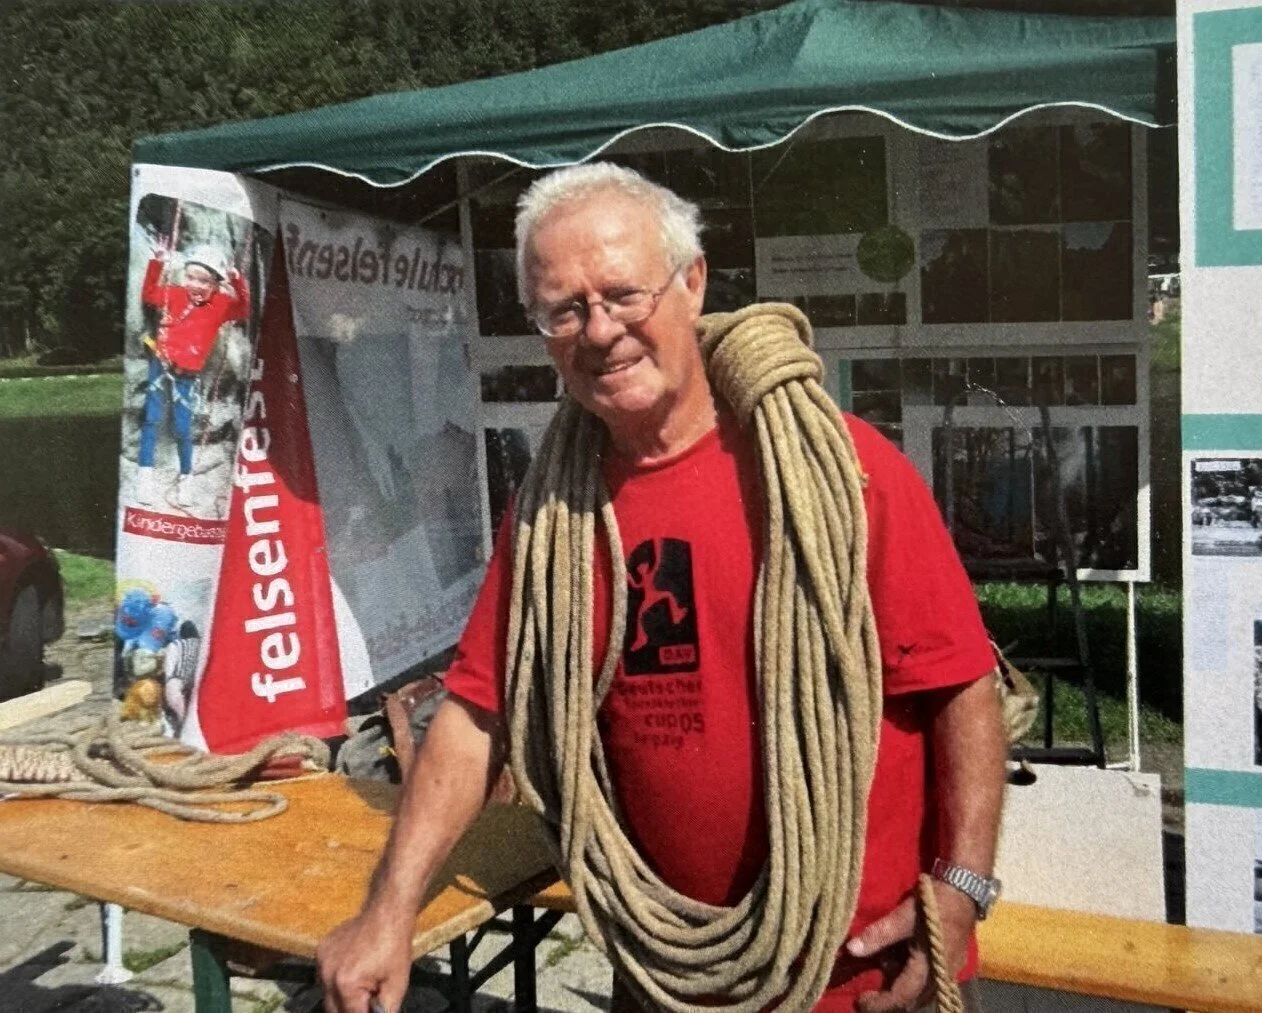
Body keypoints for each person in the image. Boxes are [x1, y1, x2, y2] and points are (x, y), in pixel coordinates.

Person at [316, 163, 1007, 1013]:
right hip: (667, 982)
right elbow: (476, 711)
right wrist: (387, 912)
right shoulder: (550, 513)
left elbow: (960, 682)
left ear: (692, 283)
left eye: (622, 294)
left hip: (862, 977)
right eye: (563, 309)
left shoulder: (845, 471)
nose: (599, 330)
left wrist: (963, 885)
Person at [136, 244, 250, 509]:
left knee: (183, 428)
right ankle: (145, 476)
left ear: (216, 283)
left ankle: (186, 481)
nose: (196, 285)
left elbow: (244, 309)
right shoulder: (174, 295)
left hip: (186, 375)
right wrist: (157, 262)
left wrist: (236, 277)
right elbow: (150, 294)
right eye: (191, 277)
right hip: (160, 365)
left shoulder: (221, 304)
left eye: (204, 280)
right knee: (151, 420)